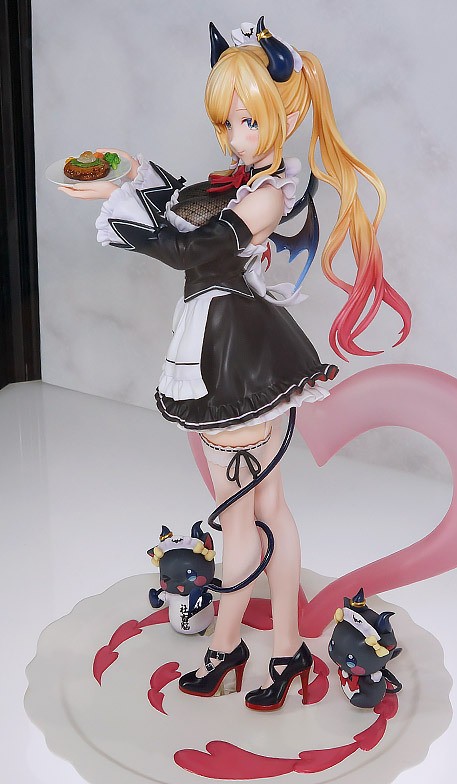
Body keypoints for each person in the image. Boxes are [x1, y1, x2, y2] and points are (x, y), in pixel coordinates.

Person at [59, 17, 411, 711]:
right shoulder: (246, 179)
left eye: (248, 120)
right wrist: (133, 177)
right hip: (237, 349)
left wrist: (121, 204)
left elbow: (197, 250)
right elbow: (187, 201)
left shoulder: (270, 192)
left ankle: (233, 647)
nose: (235, 136)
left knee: (241, 520)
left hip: (233, 357)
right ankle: (282, 649)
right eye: (228, 121)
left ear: (283, 116)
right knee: (266, 509)